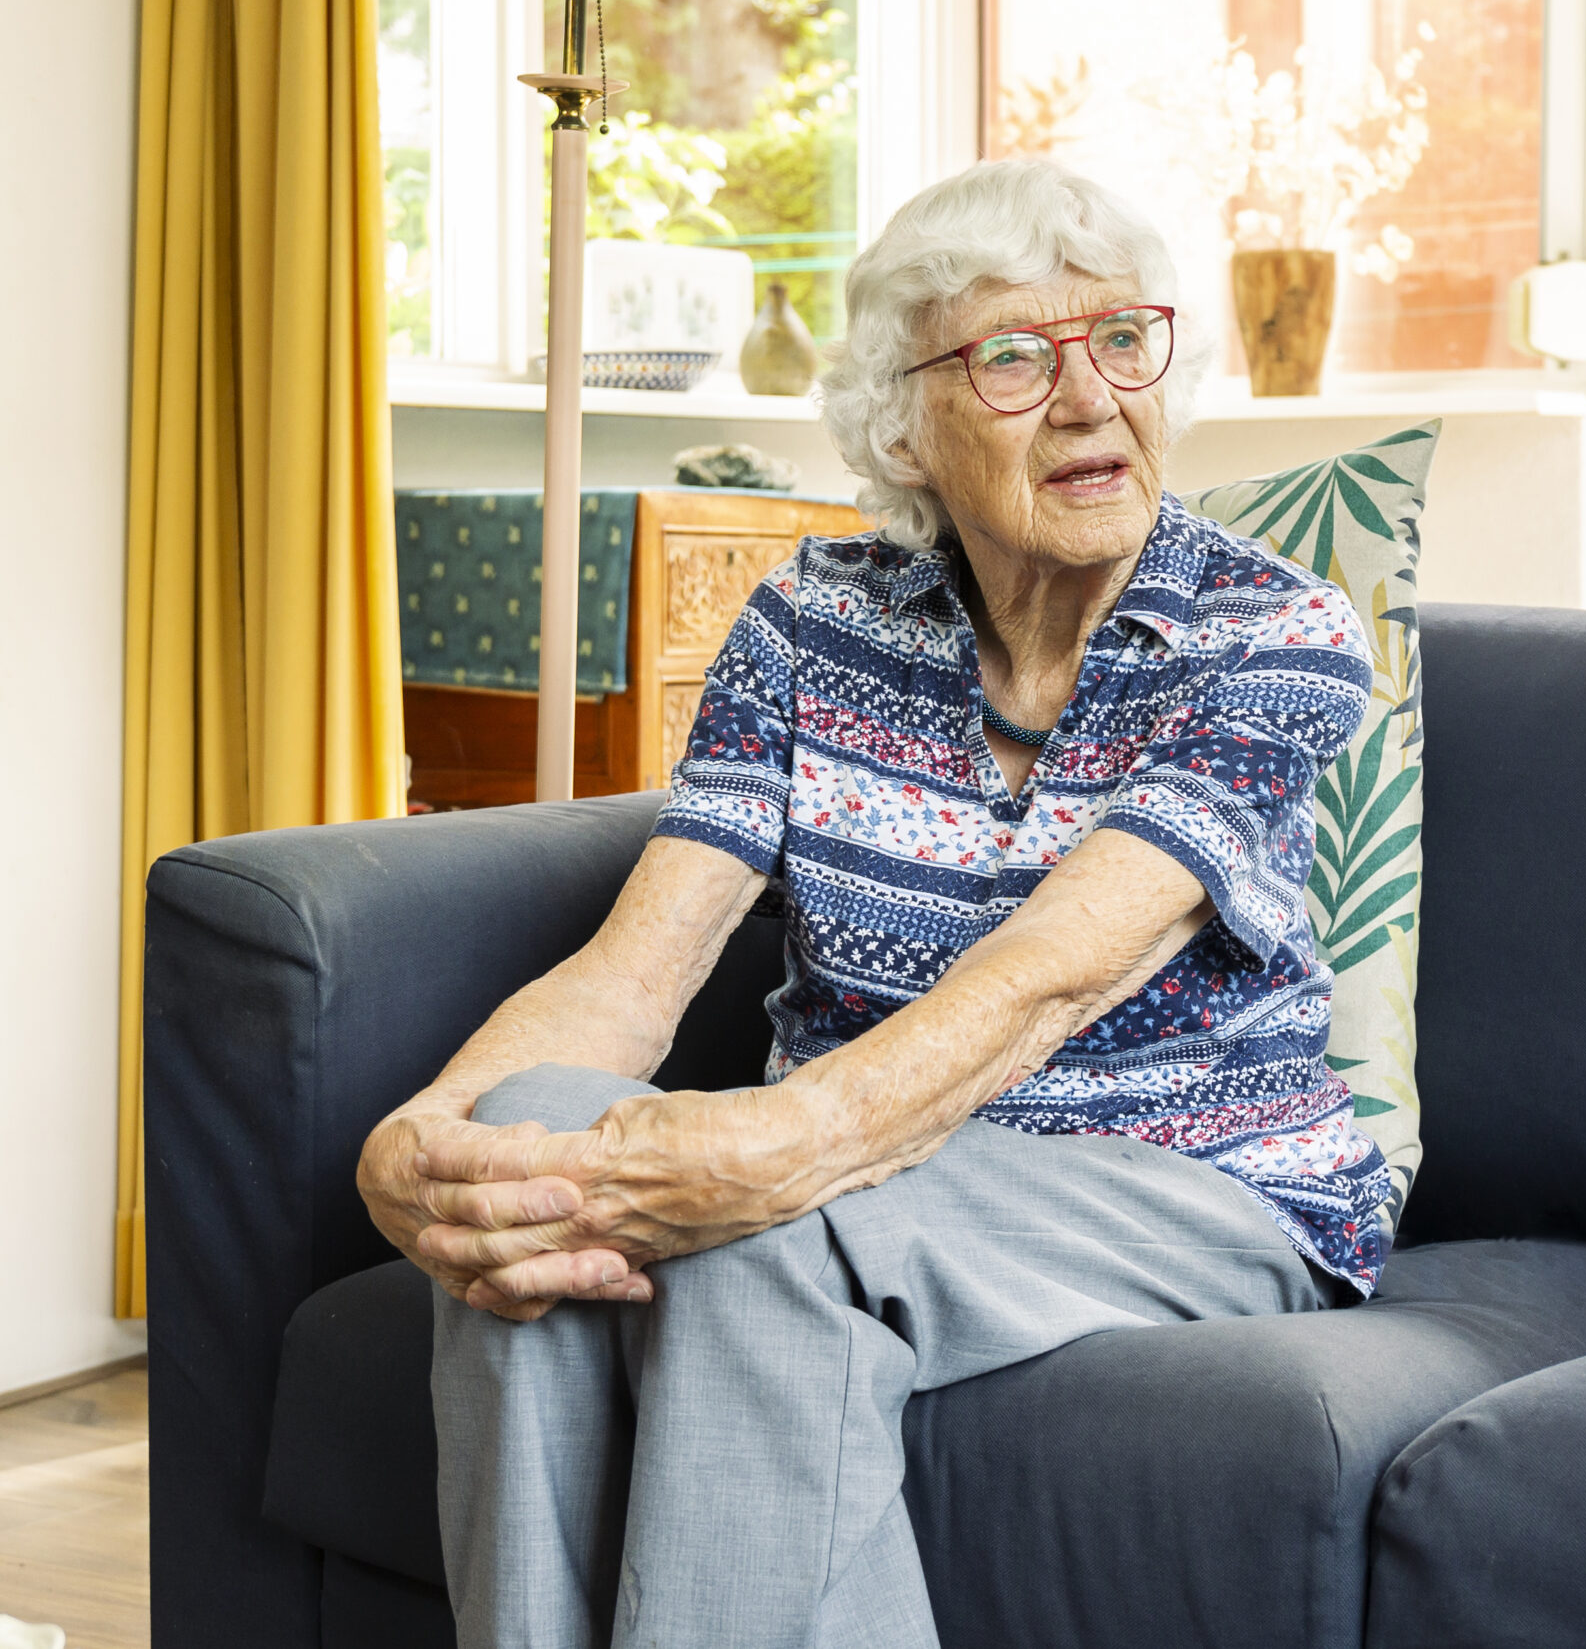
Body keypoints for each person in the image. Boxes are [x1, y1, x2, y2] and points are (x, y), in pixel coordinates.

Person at [353, 159, 1392, 1649]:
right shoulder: (810, 623)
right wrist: (432, 1137)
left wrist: (784, 1143)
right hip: (887, 1174)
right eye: (1017, 359)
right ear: (906, 424)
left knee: (761, 1233)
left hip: (1191, 1182)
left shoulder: (1268, 630)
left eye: (1121, 341)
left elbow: (1060, 966)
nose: (1091, 398)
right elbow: (640, 968)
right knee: (529, 1183)